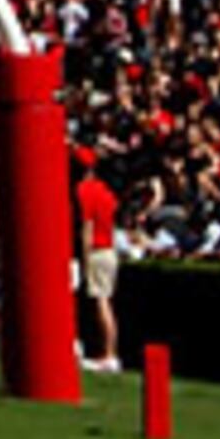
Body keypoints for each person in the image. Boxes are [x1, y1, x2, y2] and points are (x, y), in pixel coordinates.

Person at [74, 150, 124, 374]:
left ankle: (109, 353)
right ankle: (107, 352)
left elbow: (87, 227)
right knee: (103, 300)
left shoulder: (84, 191)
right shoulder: (106, 191)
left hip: (97, 250)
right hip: (109, 249)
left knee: (101, 302)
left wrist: (84, 259)